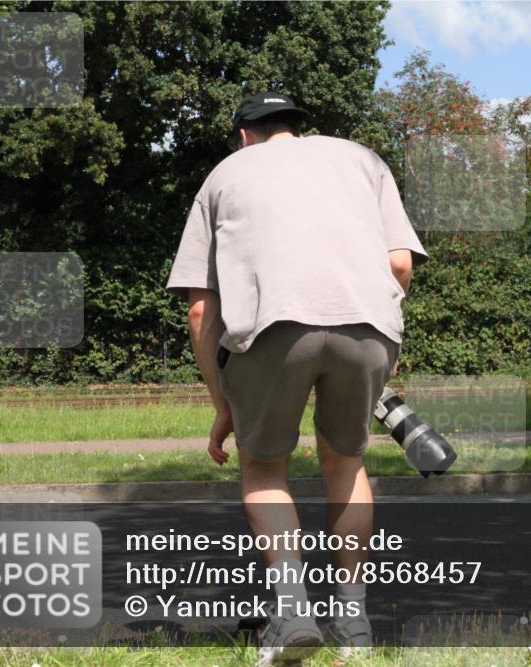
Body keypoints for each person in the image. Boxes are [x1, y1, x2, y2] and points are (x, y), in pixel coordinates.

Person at [165, 92, 427, 665]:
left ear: (244, 134)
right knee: (346, 462)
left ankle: (291, 616)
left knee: (263, 465)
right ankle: (353, 626)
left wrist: (222, 402)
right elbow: (401, 264)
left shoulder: (224, 176)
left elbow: (200, 310)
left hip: (272, 327)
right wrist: (383, 334)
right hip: (369, 324)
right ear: (299, 128)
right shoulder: (362, 159)